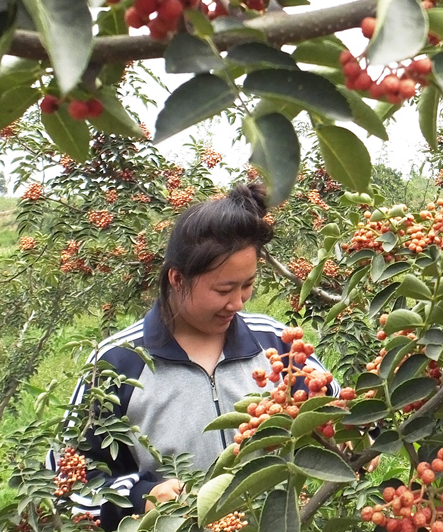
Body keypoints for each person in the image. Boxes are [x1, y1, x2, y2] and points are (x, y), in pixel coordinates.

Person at [50, 184, 338, 530]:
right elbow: (67, 481)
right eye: (223, 289)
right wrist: (141, 496)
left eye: (247, 285)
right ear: (177, 279)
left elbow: (336, 411)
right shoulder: (117, 362)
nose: (239, 302)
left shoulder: (276, 342)